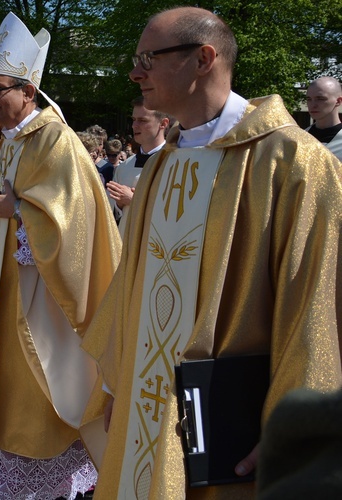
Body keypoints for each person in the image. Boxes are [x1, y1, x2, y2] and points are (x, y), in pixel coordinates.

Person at [81, 7, 342, 498]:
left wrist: (296, 428)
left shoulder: (292, 163)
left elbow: (316, 308)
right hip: (145, 403)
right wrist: (116, 385)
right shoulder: (164, 163)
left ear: (203, 59)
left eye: (147, 58)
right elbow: (131, 282)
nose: (135, 72)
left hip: (234, 420)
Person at [0, 13, 120, 499]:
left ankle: (44, 487)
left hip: (40, 304)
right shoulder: (4, 144)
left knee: (36, 392)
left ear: (28, 92)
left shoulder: (56, 141)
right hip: (1, 295)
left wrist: (18, 209)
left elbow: (75, 222)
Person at [106, 96, 170, 234]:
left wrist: (134, 200)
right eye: (134, 120)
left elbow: (176, 211)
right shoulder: (124, 167)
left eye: (142, 120)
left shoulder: (174, 164)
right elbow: (111, 215)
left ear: (163, 124)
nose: (134, 126)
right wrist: (119, 204)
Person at [305, 76, 342, 160]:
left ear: (338, 101)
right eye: (309, 99)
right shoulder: (299, 137)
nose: (313, 105)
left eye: (320, 99)